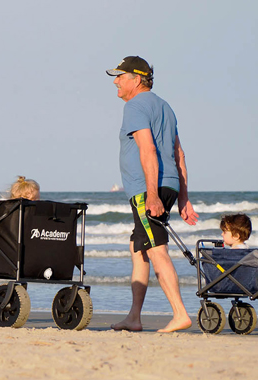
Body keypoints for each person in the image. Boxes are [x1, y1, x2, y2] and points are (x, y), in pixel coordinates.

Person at [106, 56, 199, 333]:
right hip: (167, 184)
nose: (116, 82)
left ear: (136, 79)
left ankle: (180, 313)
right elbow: (179, 154)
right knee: (138, 248)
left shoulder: (136, 106)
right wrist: (183, 197)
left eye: (120, 76)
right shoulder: (165, 107)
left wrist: (151, 195)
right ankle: (134, 317)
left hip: (148, 189)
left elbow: (147, 150)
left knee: (157, 249)